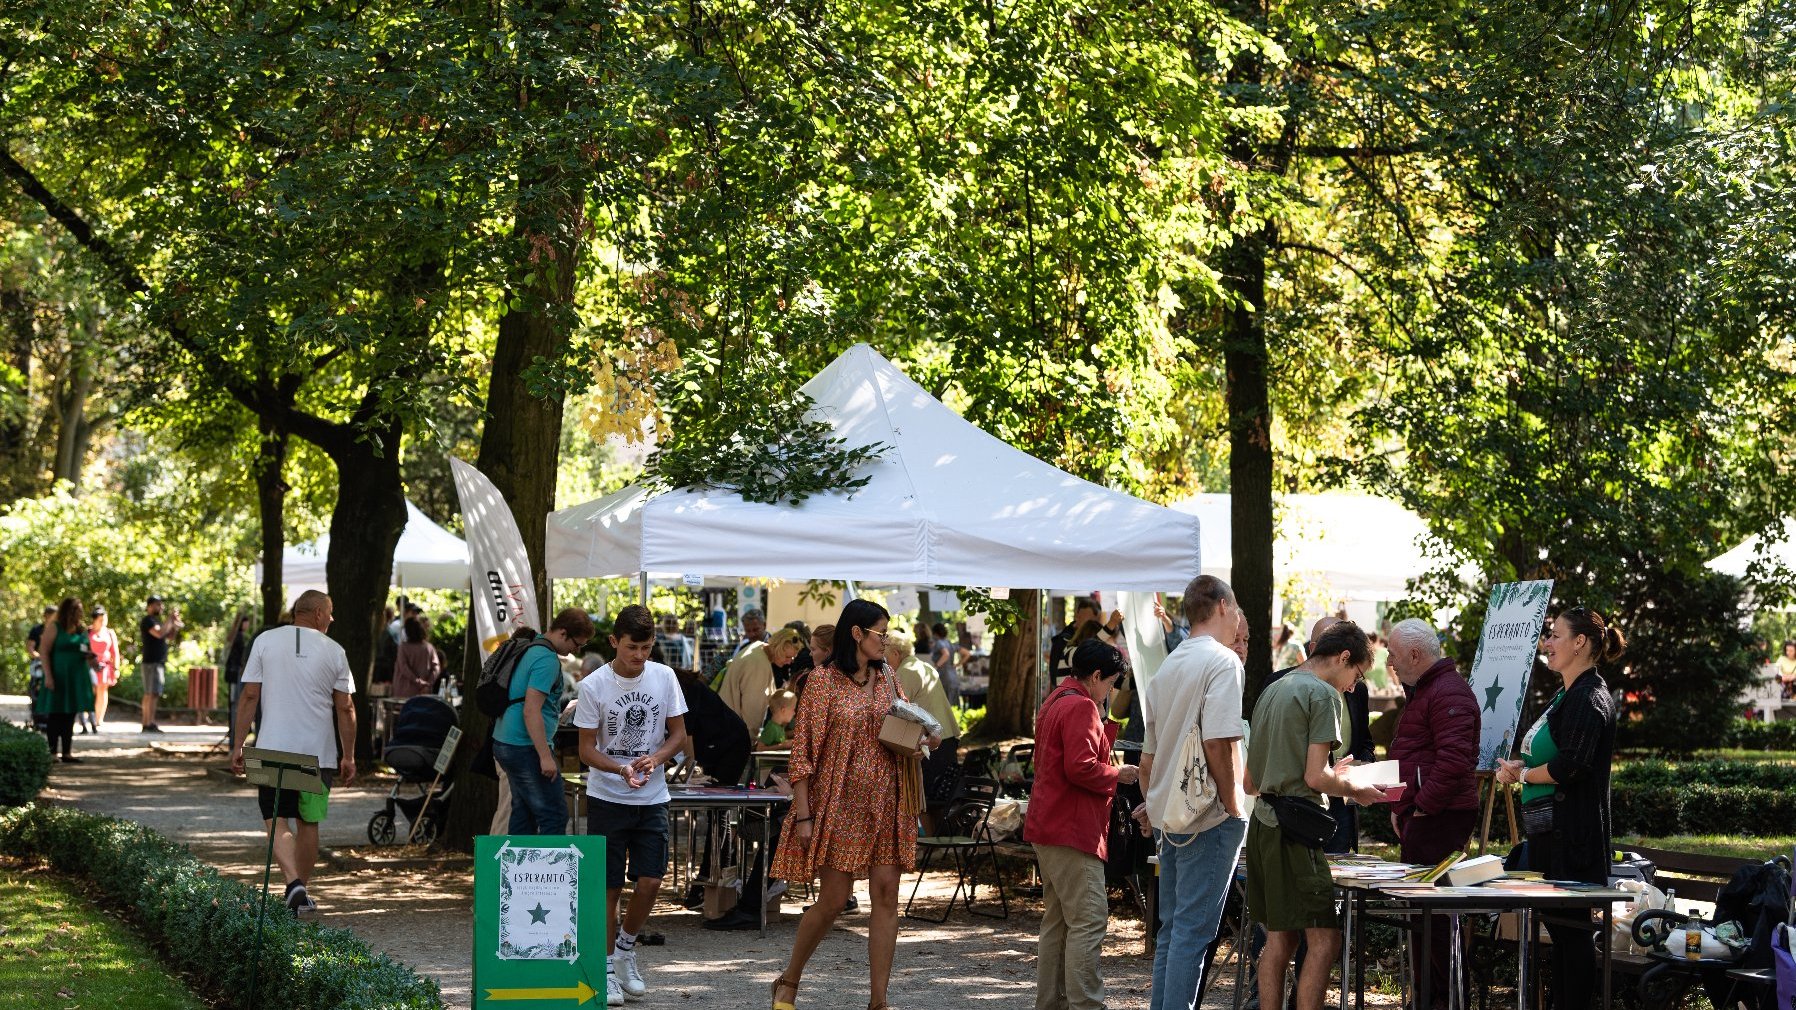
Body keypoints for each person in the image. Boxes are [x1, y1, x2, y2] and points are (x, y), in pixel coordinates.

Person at [769, 600, 937, 1010]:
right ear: (857, 634)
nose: (887, 640)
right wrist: (804, 815)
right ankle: (789, 980)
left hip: (888, 800)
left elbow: (903, 727)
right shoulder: (823, 682)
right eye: (880, 632)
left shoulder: (889, 679)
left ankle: (878, 1001)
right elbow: (803, 754)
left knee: (886, 894)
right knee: (832, 900)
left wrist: (921, 742)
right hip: (839, 802)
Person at [1244, 621, 1393, 1010]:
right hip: (1294, 831)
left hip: (1263, 823)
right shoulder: (1323, 694)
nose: (1354, 687)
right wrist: (1354, 789)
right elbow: (1314, 776)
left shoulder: (1273, 689)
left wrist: (1330, 775)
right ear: (1344, 657)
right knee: (1325, 940)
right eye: (1357, 675)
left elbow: (1250, 781)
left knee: (1279, 941)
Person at [1496, 606, 1624, 1010]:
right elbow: (1548, 755)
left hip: (1574, 841)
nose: (1546, 643)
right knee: (1563, 937)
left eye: (1555, 635)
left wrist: (1523, 776)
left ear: (1580, 642)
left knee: (1573, 937)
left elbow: (1572, 765)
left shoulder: (1590, 697)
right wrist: (1521, 767)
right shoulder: (1566, 694)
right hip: (1549, 836)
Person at [1133, 574, 1249, 1010]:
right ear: (1222, 606)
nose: (1238, 619)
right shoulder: (1223, 662)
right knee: (1192, 934)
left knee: (1172, 932)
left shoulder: (1167, 665)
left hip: (1169, 815)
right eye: (1235, 609)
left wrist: (1156, 804)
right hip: (1208, 815)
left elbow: (1148, 759)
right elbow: (1220, 742)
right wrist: (1235, 805)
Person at [574, 604, 688, 1004]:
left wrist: (656, 759)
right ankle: (605, 966)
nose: (640, 656)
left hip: (653, 794)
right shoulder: (593, 686)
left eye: (646, 647)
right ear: (613, 642)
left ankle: (625, 951)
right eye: (632, 648)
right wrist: (620, 768)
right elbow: (586, 750)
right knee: (608, 888)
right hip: (607, 797)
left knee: (651, 880)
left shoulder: (665, 676)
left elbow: (679, 736)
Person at [1025, 639, 1139, 1010]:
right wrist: (1119, 774)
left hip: (1050, 825)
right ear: (1095, 676)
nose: (1111, 689)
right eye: (1110, 682)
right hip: (1071, 829)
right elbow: (1082, 767)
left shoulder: (1058, 699)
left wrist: (1107, 720)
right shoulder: (1081, 706)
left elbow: (1075, 758)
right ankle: (1086, 1004)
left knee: (1058, 922)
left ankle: (1052, 1003)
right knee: (1088, 921)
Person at [229, 590, 356, 918]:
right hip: (320, 753)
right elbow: (346, 707)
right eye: (330, 613)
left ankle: (293, 883)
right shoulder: (335, 651)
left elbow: (249, 696)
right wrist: (349, 756)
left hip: (272, 746)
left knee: (276, 819)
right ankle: (301, 891)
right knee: (309, 822)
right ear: (316, 614)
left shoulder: (265, 641)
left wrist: (239, 744)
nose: (332, 619)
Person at [1385, 617, 1480, 1009]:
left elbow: (1455, 760)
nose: (1388, 660)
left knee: (1435, 918)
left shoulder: (1447, 691)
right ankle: (1430, 998)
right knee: (1424, 917)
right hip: (1427, 816)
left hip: (1441, 818)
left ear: (1413, 653)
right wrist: (1401, 805)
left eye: (1392, 653)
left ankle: (1443, 1000)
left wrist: (1422, 807)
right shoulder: (1429, 690)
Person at [491, 608, 592, 833]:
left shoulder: (533, 647)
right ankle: (552, 868)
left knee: (523, 812)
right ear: (563, 633)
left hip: (506, 741)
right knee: (555, 815)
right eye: (577, 644)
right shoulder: (547, 660)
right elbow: (531, 710)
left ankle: (518, 867)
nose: (577, 650)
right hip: (524, 746)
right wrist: (545, 756)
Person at [885, 628, 961, 830]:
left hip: (931, 741)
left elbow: (896, 710)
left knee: (925, 798)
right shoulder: (924, 666)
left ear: (894, 653)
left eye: (884, 657)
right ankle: (938, 840)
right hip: (947, 736)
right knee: (939, 797)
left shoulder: (904, 672)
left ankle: (932, 843)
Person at [37, 597, 97, 763]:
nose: (79, 613)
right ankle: (52, 752)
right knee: (56, 714)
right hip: (58, 675)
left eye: (80, 610)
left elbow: (86, 649)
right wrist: (48, 676)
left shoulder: (81, 630)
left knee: (70, 714)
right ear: (68, 611)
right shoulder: (54, 627)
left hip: (77, 676)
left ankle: (67, 752)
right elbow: (44, 651)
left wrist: (91, 657)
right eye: (76, 610)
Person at [718, 626, 803, 737]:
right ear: (778, 648)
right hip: (732, 733)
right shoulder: (758, 665)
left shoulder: (757, 648)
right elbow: (752, 713)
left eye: (792, 658)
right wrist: (752, 743)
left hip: (727, 726)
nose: (789, 662)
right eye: (787, 657)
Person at [139, 596, 182, 733]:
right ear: (150, 606)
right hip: (151, 662)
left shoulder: (157, 621)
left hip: (157, 662)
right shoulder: (148, 620)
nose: (161, 607)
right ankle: (148, 723)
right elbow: (159, 633)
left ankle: (148, 722)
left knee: (154, 693)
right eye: (158, 605)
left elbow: (169, 636)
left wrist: (174, 625)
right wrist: (169, 619)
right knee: (151, 693)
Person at [1049, 598, 1103, 684]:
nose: (1094, 627)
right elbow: (1054, 679)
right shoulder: (1064, 640)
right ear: (1077, 617)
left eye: (1096, 623)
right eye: (1089, 623)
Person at [222, 613, 254, 752]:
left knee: (234, 705)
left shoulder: (233, 636)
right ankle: (234, 741)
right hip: (236, 674)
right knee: (236, 705)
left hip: (232, 673)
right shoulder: (238, 637)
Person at [86, 606, 120, 732]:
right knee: (90, 691)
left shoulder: (110, 632)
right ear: (94, 620)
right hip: (90, 665)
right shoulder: (88, 632)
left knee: (102, 691)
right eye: (100, 619)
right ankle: (87, 717)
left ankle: (98, 719)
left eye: (104, 619)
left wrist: (116, 668)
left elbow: (115, 652)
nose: (103, 622)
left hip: (105, 666)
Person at [391, 617, 442, 699]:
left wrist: (418, 681)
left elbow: (403, 668)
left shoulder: (403, 647)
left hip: (403, 691)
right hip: (424, 692)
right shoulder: (429, 647)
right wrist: (428, 684)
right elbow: (436, 668)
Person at [930, 621, 960, 706]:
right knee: (953, 706)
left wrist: (936, 666)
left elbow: (946, 654)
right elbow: (966, 653)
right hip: (953, 676)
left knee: (945, 705)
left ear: (935, 633)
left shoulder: (939, 643)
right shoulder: (949, 642)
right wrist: (957, 664)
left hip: (944, 676)